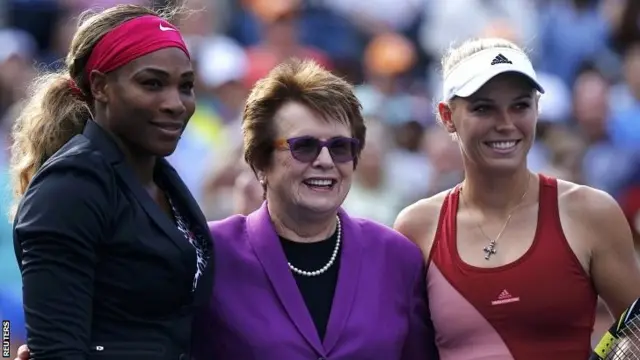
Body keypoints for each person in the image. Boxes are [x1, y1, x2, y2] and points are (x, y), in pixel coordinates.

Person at [394, 37, 640, 359]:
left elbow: (635, 334)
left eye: (520, 105)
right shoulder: (416, 227)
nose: (506, 124)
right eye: (484, 108)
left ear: (537, 109)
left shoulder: (591, 212)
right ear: (447, 115)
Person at [190, 59, 437, 359]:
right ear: (260, 162)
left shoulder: (396, 256)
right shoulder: (210, 252)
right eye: (304, 146)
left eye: (340, 147)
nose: (324, 161)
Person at [10, 5, 213, 359]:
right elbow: (56, 350)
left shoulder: (165, 183)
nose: (176, 104)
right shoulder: (71, 187)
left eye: (186, 86)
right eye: (152, 83)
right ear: (101, 86)